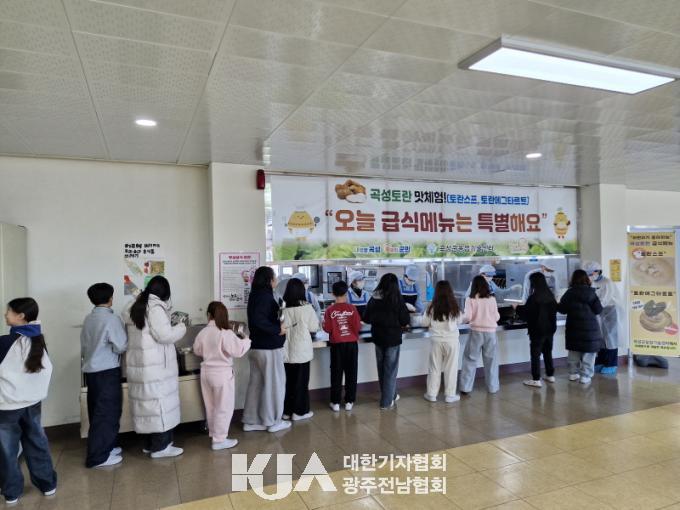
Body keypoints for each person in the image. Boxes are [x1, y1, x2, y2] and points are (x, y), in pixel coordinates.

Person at [0, 298, 57, 505]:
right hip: (33, 403)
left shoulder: (5, 343)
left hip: (7, 406)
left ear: (21, 316)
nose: (5, 315)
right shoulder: (38, 340)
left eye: (8, 311)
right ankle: (47, 485)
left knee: (7, 450)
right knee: (36, 442)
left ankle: (12, 492)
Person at [126, 276, 186, 458]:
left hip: (141, 365)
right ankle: (161, 448)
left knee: (147, 407)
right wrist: (181, 327)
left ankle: (150, 445)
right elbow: (164, 336)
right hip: (156, 367)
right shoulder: (154, 308)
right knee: (160, 405)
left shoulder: (135, 305)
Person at [81, 283, 128, 468]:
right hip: (106, 371)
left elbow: (85, 344)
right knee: (107, 413)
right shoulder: (111, 319)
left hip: (91, 371)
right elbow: (121, 346)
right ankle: (98, 457)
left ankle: (107, 447)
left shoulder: (89, 318)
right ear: (110, 298)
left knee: (97, 412)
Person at [193, 301, 251, 450]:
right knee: (223, 407)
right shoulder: (225, 333)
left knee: (211, 406)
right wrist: (246, 340)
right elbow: (238, 351)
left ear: (209, 315)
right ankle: (219, 440)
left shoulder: (203, 332)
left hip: (206, 373)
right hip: (222, 374)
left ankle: (214, 434)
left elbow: (197, 350)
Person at [243, 266, 290, 433]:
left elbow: (257, 320)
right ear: (269, 280)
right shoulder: (265, 297)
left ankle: (251, 421)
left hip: (257, 347)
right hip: (269, 348)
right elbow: (259, 321)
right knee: (274, 385)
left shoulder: (255, 295)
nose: (276, 280)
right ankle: (273, 421)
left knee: (256, 385)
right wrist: (278, 329)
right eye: (274, 277)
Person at [363, 273, 410, 410]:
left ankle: (391, 395)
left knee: (382, 368)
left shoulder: (374, 298)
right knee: (390, 370)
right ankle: (386, 402)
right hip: (393, 339)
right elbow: (405, 320)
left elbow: (366, 318)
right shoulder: (397, 299)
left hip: (378, 338)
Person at [281, 278, 320, 421]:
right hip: (301, 351)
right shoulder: (307, 308)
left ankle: (287, 412)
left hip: (286, 351)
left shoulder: (282, 308)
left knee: (288, 382)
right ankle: (299, 412)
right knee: (301, 383)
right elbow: (314, 327)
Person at [422, 281, 467, 403]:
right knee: (451, 368)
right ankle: (450, 395)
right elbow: (460, 321)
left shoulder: (431, 307)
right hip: (451, 341)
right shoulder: (454, 306)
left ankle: (431, 394)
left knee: (434, 367)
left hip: (436, 341)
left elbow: (424, 322)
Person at [558, 270, 603, 385]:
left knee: (574, 351)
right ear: (586, 279)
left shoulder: (569, 293)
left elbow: (562, 309)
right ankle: (585, 376)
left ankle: (573, 373)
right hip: (590, 329)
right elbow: (598, 310)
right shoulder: (591, 293)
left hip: (573, 327)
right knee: (589, 353)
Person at [323, 281, 362, 412]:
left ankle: (335, 403)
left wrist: (323, 324)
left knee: (336, 373)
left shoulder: (330, 310)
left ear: (333, 294)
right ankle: (349, 401)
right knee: (351, 372)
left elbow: (327, 328)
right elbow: (358, 327)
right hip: (351, 344)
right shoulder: (352, 308)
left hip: (337, 345)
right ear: (346, 293)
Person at [515, 272, 558, 388]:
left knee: (535, 355)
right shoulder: (551, 296)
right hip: (550, 330)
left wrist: (516, 308)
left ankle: (536, 379)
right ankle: (550, 375)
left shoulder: (533, 298)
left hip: (537, 331)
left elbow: (525, 315)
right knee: (548, 352)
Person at [460, 275, 501, 394]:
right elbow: (497, 317)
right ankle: (493, 388)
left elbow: (468, 317)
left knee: (470, 360)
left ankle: (465, 388)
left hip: (476, 332)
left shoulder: (470, 299)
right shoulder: (492, 299)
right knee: (491, 361)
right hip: (491, 333)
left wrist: (459, 319)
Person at [584, 261, 621, 375]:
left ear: (597, 271)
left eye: (591, 273)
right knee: (600, 338)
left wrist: (593, 308)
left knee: (611, 338)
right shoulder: (592, 282)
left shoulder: (607, 282)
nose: (589, 276)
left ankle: (611, 364)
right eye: (587, 274)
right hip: (599, 312)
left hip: (610, 311)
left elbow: (604, 300)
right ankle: (601, 361)